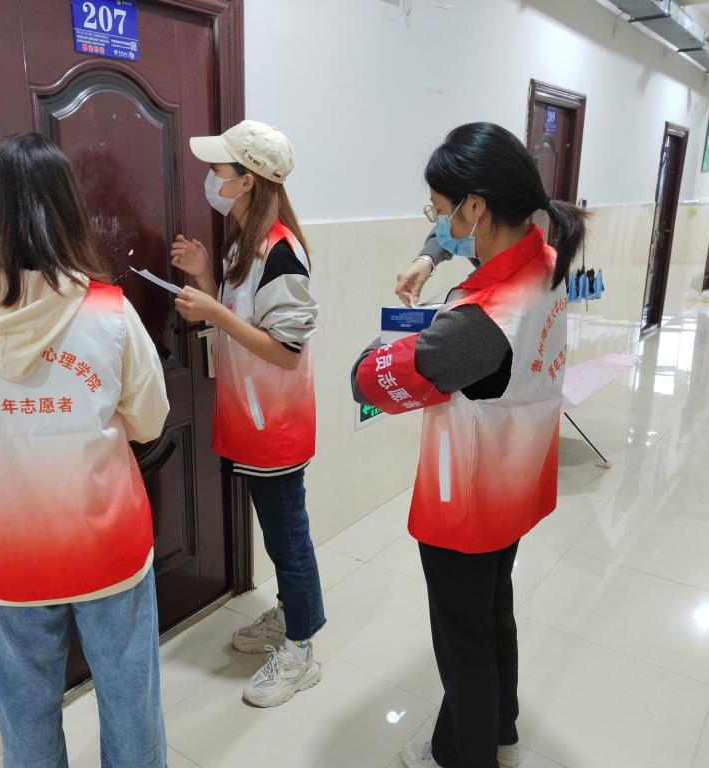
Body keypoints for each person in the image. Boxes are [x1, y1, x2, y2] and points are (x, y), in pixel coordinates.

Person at [0, 133, 169, 768]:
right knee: (131, 703)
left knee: (23, 714)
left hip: (3, 547)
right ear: (64, 209)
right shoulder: (107, 313)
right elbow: (149, 420)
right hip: (106, 541)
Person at [352, 122, 587, 768]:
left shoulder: (485, 319)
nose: (439, 222)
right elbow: (454, 244)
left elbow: (370, 381)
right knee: (492, 611)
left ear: (477, 207)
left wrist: (383, 349)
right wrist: (430, 256)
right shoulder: (543, 254)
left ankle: (467, 754)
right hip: (516, 478)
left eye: (442, 210)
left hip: (467, 500)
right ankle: (499, 726)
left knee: (463, 646)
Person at [168, 120, 324, 707]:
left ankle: (302, 649)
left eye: (220, 171)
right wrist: (207, 277)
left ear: (249, 181)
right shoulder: (244, 244)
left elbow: (285, 350)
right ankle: (289, 616)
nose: (212, 179)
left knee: (288, 537)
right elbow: (243, 319)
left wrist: (214, 310)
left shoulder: (282, 252)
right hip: (251, 419)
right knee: (280, 534)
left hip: (276, 425)